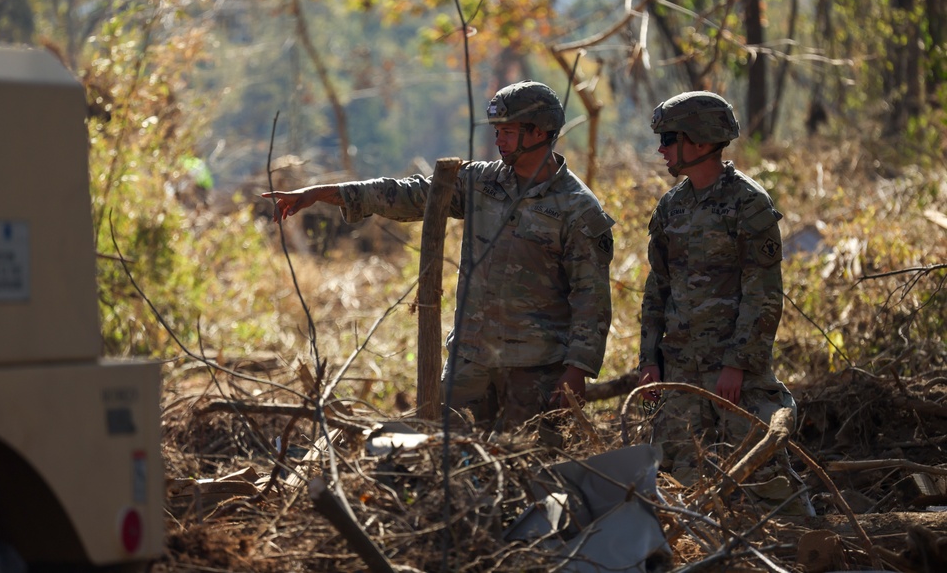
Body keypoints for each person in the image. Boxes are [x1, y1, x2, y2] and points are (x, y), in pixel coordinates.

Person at [263, 80, 615, 432]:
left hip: (535, 370)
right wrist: (325, 193)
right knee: (446, 457)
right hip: (469, 363)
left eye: (508, 131)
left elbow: (591, 298)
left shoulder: (578, 209)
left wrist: (576, 370)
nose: (499, 140)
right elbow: (409, 194)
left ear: (539, 131)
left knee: (530, 466)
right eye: (497, 131)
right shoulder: (479, 182)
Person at [636, 90, 811, 515]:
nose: (661, 149)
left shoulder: (749, 204)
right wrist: (649, 359)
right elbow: (658, 287)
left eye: (668, 138)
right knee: (679, 475)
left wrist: (738, 362)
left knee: (760, 472)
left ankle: (805, 544)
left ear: (698, 140)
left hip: (734, 373)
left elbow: (763, 291)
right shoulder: (671, 207)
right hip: (680, 370)